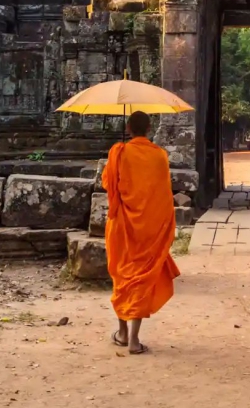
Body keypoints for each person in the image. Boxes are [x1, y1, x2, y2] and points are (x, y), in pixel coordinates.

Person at [103, 109, 180, 354]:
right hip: (150, 228)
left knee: (123, 276)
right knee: (141, 279)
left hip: (122, 227)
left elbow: (108, 184)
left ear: (128, 128)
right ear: (149, 129)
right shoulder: (159, 156)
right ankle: (134, 339)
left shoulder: (119, 152)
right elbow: (164, 195)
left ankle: (122, 332)